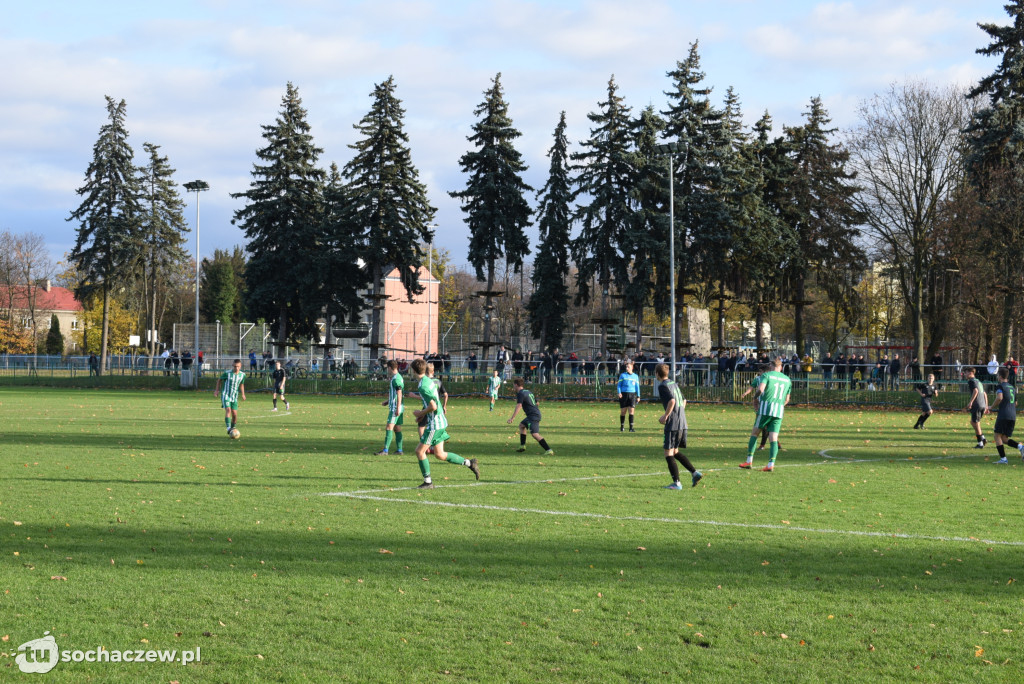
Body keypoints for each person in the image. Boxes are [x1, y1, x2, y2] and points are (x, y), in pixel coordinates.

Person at [410, 358, 479, 488]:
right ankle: (470, 463)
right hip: (440, 421)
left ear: (413, 371)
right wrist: (423, 414)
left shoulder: (423, 385)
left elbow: (433, 406)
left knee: (419, 452)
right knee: (440, 454)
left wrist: (420, 413)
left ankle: (428, 482)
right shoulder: (427, 381)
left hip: (435, 424)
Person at [650, 362, 702, 489]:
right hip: (682, 422)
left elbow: (672, 401)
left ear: (657, 373)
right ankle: (695, 473)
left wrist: (666, 415)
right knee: (675, 451)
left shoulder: (662, 386)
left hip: (673, 424)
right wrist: (679, 413)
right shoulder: (673, 383)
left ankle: (677, 483)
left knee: (668, 453)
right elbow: (683, 400)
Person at [739, 356, 792, 472]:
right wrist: (779, 406)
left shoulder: (766, 375)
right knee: (773, 438)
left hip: (765, 409)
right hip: (779, 411)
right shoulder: (787, 379)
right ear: (781, 367)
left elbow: (761, 390)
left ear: (771, 366)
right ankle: (770, 464)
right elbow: (787, 399)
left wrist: (755, 397)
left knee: (755, 433)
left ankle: (749, 461)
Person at [508, 377, 554, 455]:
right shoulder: (528, 391)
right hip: (533, 414)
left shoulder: (520, 393)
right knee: (522, 425)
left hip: (533, 416)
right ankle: (522, 446)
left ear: (516, 385)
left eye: (513, 385)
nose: (513, 387)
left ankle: (549, 450)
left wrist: (512, 418)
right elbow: (537, 402)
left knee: (535, 434)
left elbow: (519, 405)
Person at [988, 368, 1021, 464]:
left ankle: (1003, 459)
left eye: (998, 375)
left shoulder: (1000, 386)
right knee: (1004, 438)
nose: (997, 377)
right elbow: (1015, 403)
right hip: (1012, 415)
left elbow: (999, 397)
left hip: (1004, 415)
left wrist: (991, 407)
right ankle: (1021, 447)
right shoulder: (1012, 387)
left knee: (997, 435)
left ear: (1000, 376)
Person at [376, 360, 405, 456]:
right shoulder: (398, 377)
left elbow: (399, 393)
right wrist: (387, 401)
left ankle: (385, 450)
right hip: (398, 406)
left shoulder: (396, 379)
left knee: (389, 427)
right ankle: (399, 450)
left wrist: (397, 408)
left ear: (389, 368)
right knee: (397, 428)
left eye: (387, 368)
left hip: (395, 408)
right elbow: (396, 394)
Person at [214, 359, 246, 435]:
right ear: (232, 366)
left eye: (238, 366)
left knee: (234, 414)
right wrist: (217, 390)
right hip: (226, 395)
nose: (236, 368)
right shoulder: (227, 373)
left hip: (234, 396)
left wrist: (243, 394)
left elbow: (242, 384)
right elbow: (219, 380)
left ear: (240, 366)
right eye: (235, 366)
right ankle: (228, 428)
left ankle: (233, 428)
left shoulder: (242, 375)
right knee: (228, 410)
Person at [964, 366, 987, 448]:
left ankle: (980, 443)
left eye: (966, 372)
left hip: (977, 405)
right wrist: (986, 405)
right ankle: (983, 438)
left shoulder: (971, 381)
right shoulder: (978, 381)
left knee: (975, 423)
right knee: (974, 422)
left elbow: (976, 391)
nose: (965, 374)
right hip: (982, 404)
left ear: (971, 373)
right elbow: (984, 393)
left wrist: (971, 402)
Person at [616, 360, 641, 432]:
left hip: (632, 395)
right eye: (626, 367)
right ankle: (622, 427)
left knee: (631, 411)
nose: (627, 368)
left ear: (632, 368)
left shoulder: (635, 376)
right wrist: (619, 393)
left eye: (628, 367)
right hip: (624, 394)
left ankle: (631, 428)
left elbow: (637, 387)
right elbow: (619, 386)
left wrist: (638, 396)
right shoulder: (622, 375)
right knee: (623, 412)